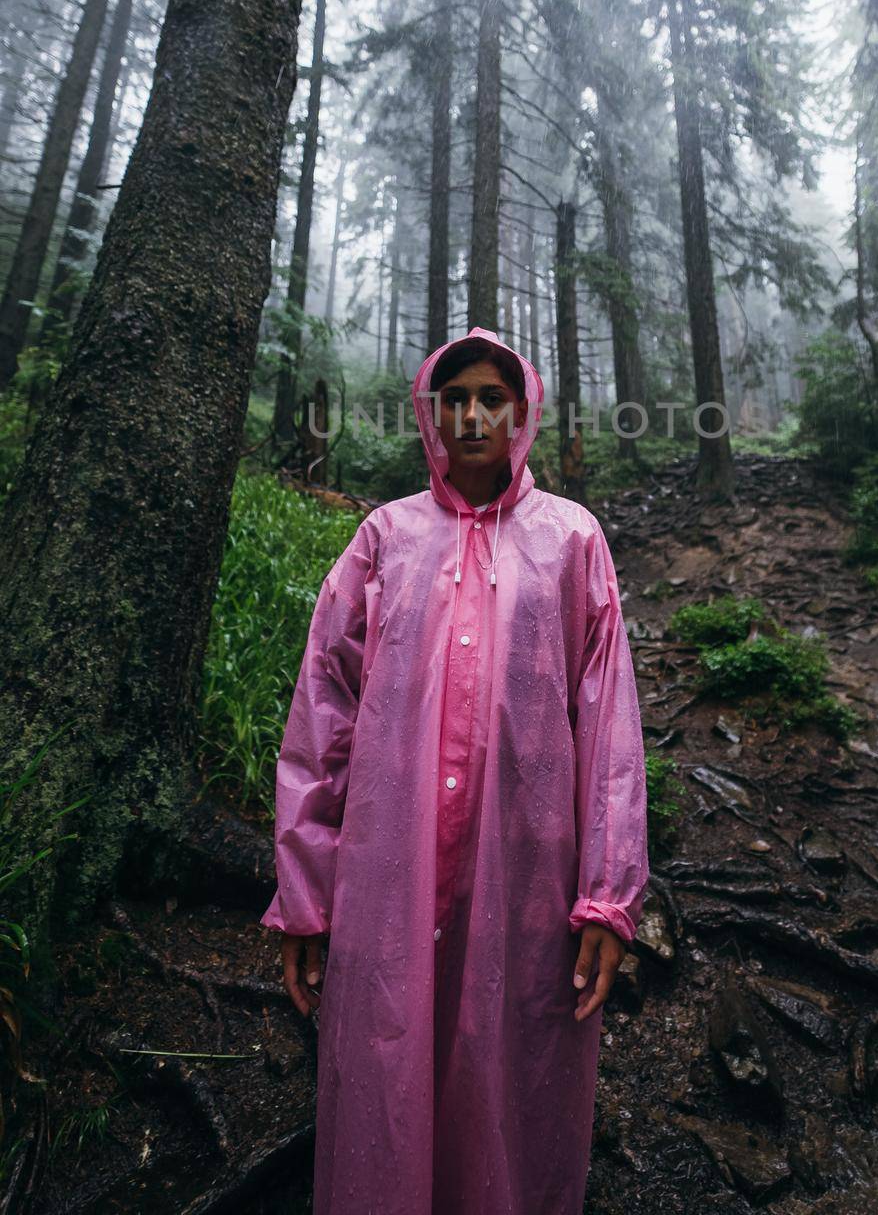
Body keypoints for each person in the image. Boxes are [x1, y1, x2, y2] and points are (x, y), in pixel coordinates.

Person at [261, 325, 649, 1215]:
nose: (472, 415)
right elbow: (323, 717)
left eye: (492, 399)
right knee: (385, 1065)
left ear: (522, 414)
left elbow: (608, 726)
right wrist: (306, 898)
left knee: (508, 1068)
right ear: (431, 414)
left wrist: (608, 895)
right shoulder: (385, 538)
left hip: (524, 874)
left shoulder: (571, 541)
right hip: (385, 870)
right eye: (455, 398)